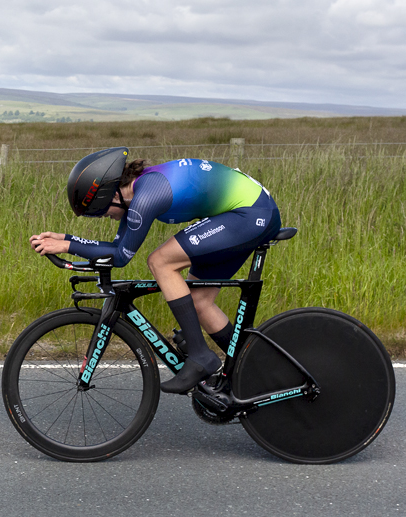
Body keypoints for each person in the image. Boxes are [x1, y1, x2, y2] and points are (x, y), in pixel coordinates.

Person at [29, 148, 281, 394]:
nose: (106, 217)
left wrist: (67, 245)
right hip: (248, 212)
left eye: (102, 212)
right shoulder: (138, 191)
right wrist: (67, 239)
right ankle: (259, 371)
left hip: (251, 214)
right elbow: (118, 248)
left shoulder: (145, 198)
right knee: (200, 302)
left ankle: (201, 356)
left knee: (161, 261)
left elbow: (120, 257)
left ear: (112, 196)